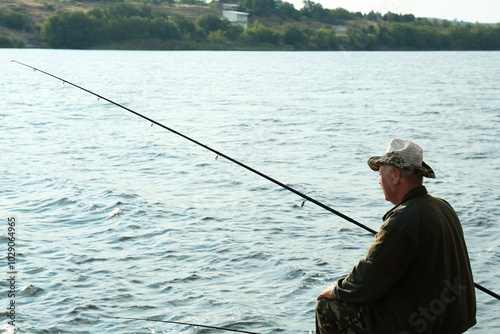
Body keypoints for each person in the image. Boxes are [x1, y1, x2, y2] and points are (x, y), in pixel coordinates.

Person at [315, 139, 476, 334]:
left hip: (420, 323)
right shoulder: (442, 206)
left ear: (395, 175)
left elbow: (368, 279)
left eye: (380, 172)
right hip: (452, 320)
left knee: (326, 307)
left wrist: (336, 290)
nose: (379, 180)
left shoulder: (404, 218)